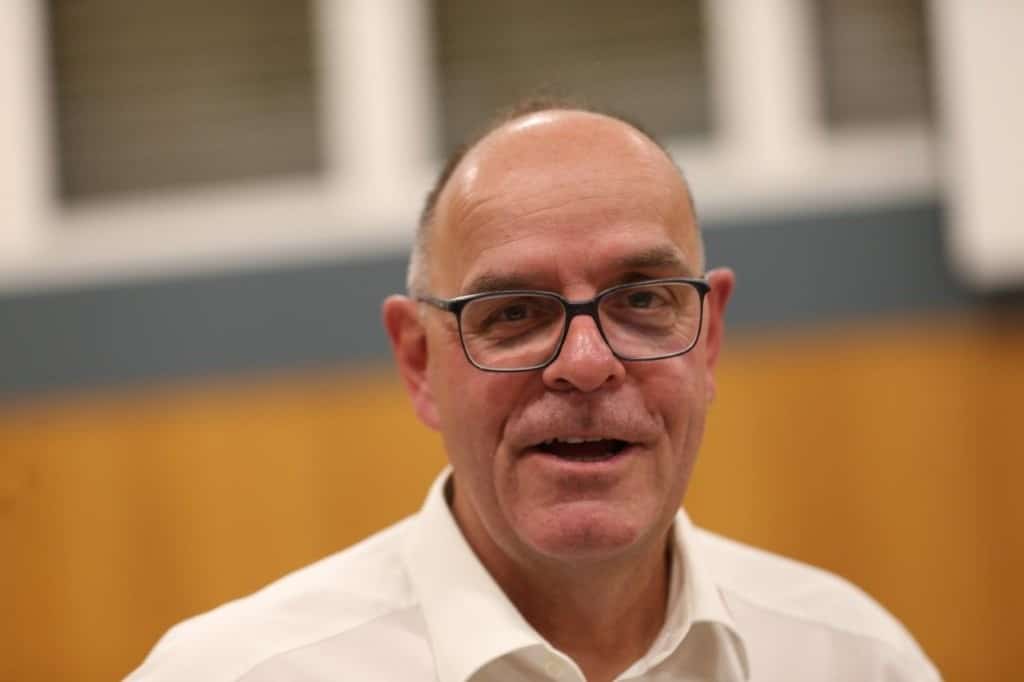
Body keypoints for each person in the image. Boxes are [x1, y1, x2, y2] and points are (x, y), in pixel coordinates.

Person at [126, 104, 941, 681]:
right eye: (513, 313)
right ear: (419, 362)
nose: (585, 363)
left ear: (710, 339)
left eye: (641, 300)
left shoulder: (855, 659)